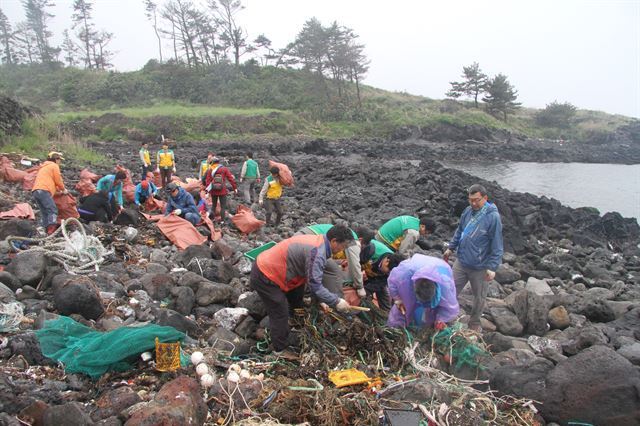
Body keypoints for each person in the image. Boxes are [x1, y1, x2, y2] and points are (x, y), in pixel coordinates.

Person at [249, 224, 355, 355]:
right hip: (265, 274)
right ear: (334, 241)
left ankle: (295, 320)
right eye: (343, 247)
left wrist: (322, 300)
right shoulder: (318, 252)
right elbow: (315, 286)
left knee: (297, 295)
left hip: (281, 269)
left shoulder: (320, 242)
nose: (342, 250)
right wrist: (336, 301)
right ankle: (279, 350)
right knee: (280, 312)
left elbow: (313, 279)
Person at [443, 184, 503, 332]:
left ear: (485, 198)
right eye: (471, 200)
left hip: (480, 266)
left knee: (479, 297)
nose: (474, 203)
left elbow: (497, 244)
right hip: (462, 261)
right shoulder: (468, 211)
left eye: (477, 200)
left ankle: (474, 322)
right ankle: (445, 316)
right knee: (450, 289)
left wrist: (492, 267)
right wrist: (451, 247)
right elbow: (460, 230)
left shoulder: (493, 217)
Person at [296, 223, 373, 298]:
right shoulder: (353, 242)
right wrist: (359, 287)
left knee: (309, 268)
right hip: (308, 241)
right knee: (333, 270)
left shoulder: (345, 234)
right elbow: (355, 265)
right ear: (360, 240)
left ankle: (308, 295)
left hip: (302, 236)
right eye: (362, 247)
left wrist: (339, 262)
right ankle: (337, 300)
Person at [387, 254, 460, 329]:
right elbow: (392, 282)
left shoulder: (445, 285)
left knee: (432, 315)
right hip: (411, 277)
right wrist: (398, 299)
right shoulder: (404, 273)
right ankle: (395, 329)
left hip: (440, 270)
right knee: (404, 308)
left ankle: (427, 329)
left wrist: (440, 320)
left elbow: (449, 307)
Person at [31, 152, 67, 235]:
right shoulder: (54, 166)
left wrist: (58, 190)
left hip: (36, 190)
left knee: (44, 211)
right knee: (52, 209)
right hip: (44, 190)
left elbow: (51, 181)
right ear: (55, 159)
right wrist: (63, 189)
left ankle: (43, 229)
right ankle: (51, 230)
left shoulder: (44, 167)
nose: (60, 162)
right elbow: (58, 180)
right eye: (59, 160)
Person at [204, 156, 237, 223]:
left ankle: (212, 220)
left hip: (213, 191)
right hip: (222, 191)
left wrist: (207, 191)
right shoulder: (224, 169)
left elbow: (208, 181)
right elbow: (230, 179)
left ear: (212, 162)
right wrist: (234, 188)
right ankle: (222, 221)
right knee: (223, 206)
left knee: (214, 205)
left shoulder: (210, 170)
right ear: (219, 162)